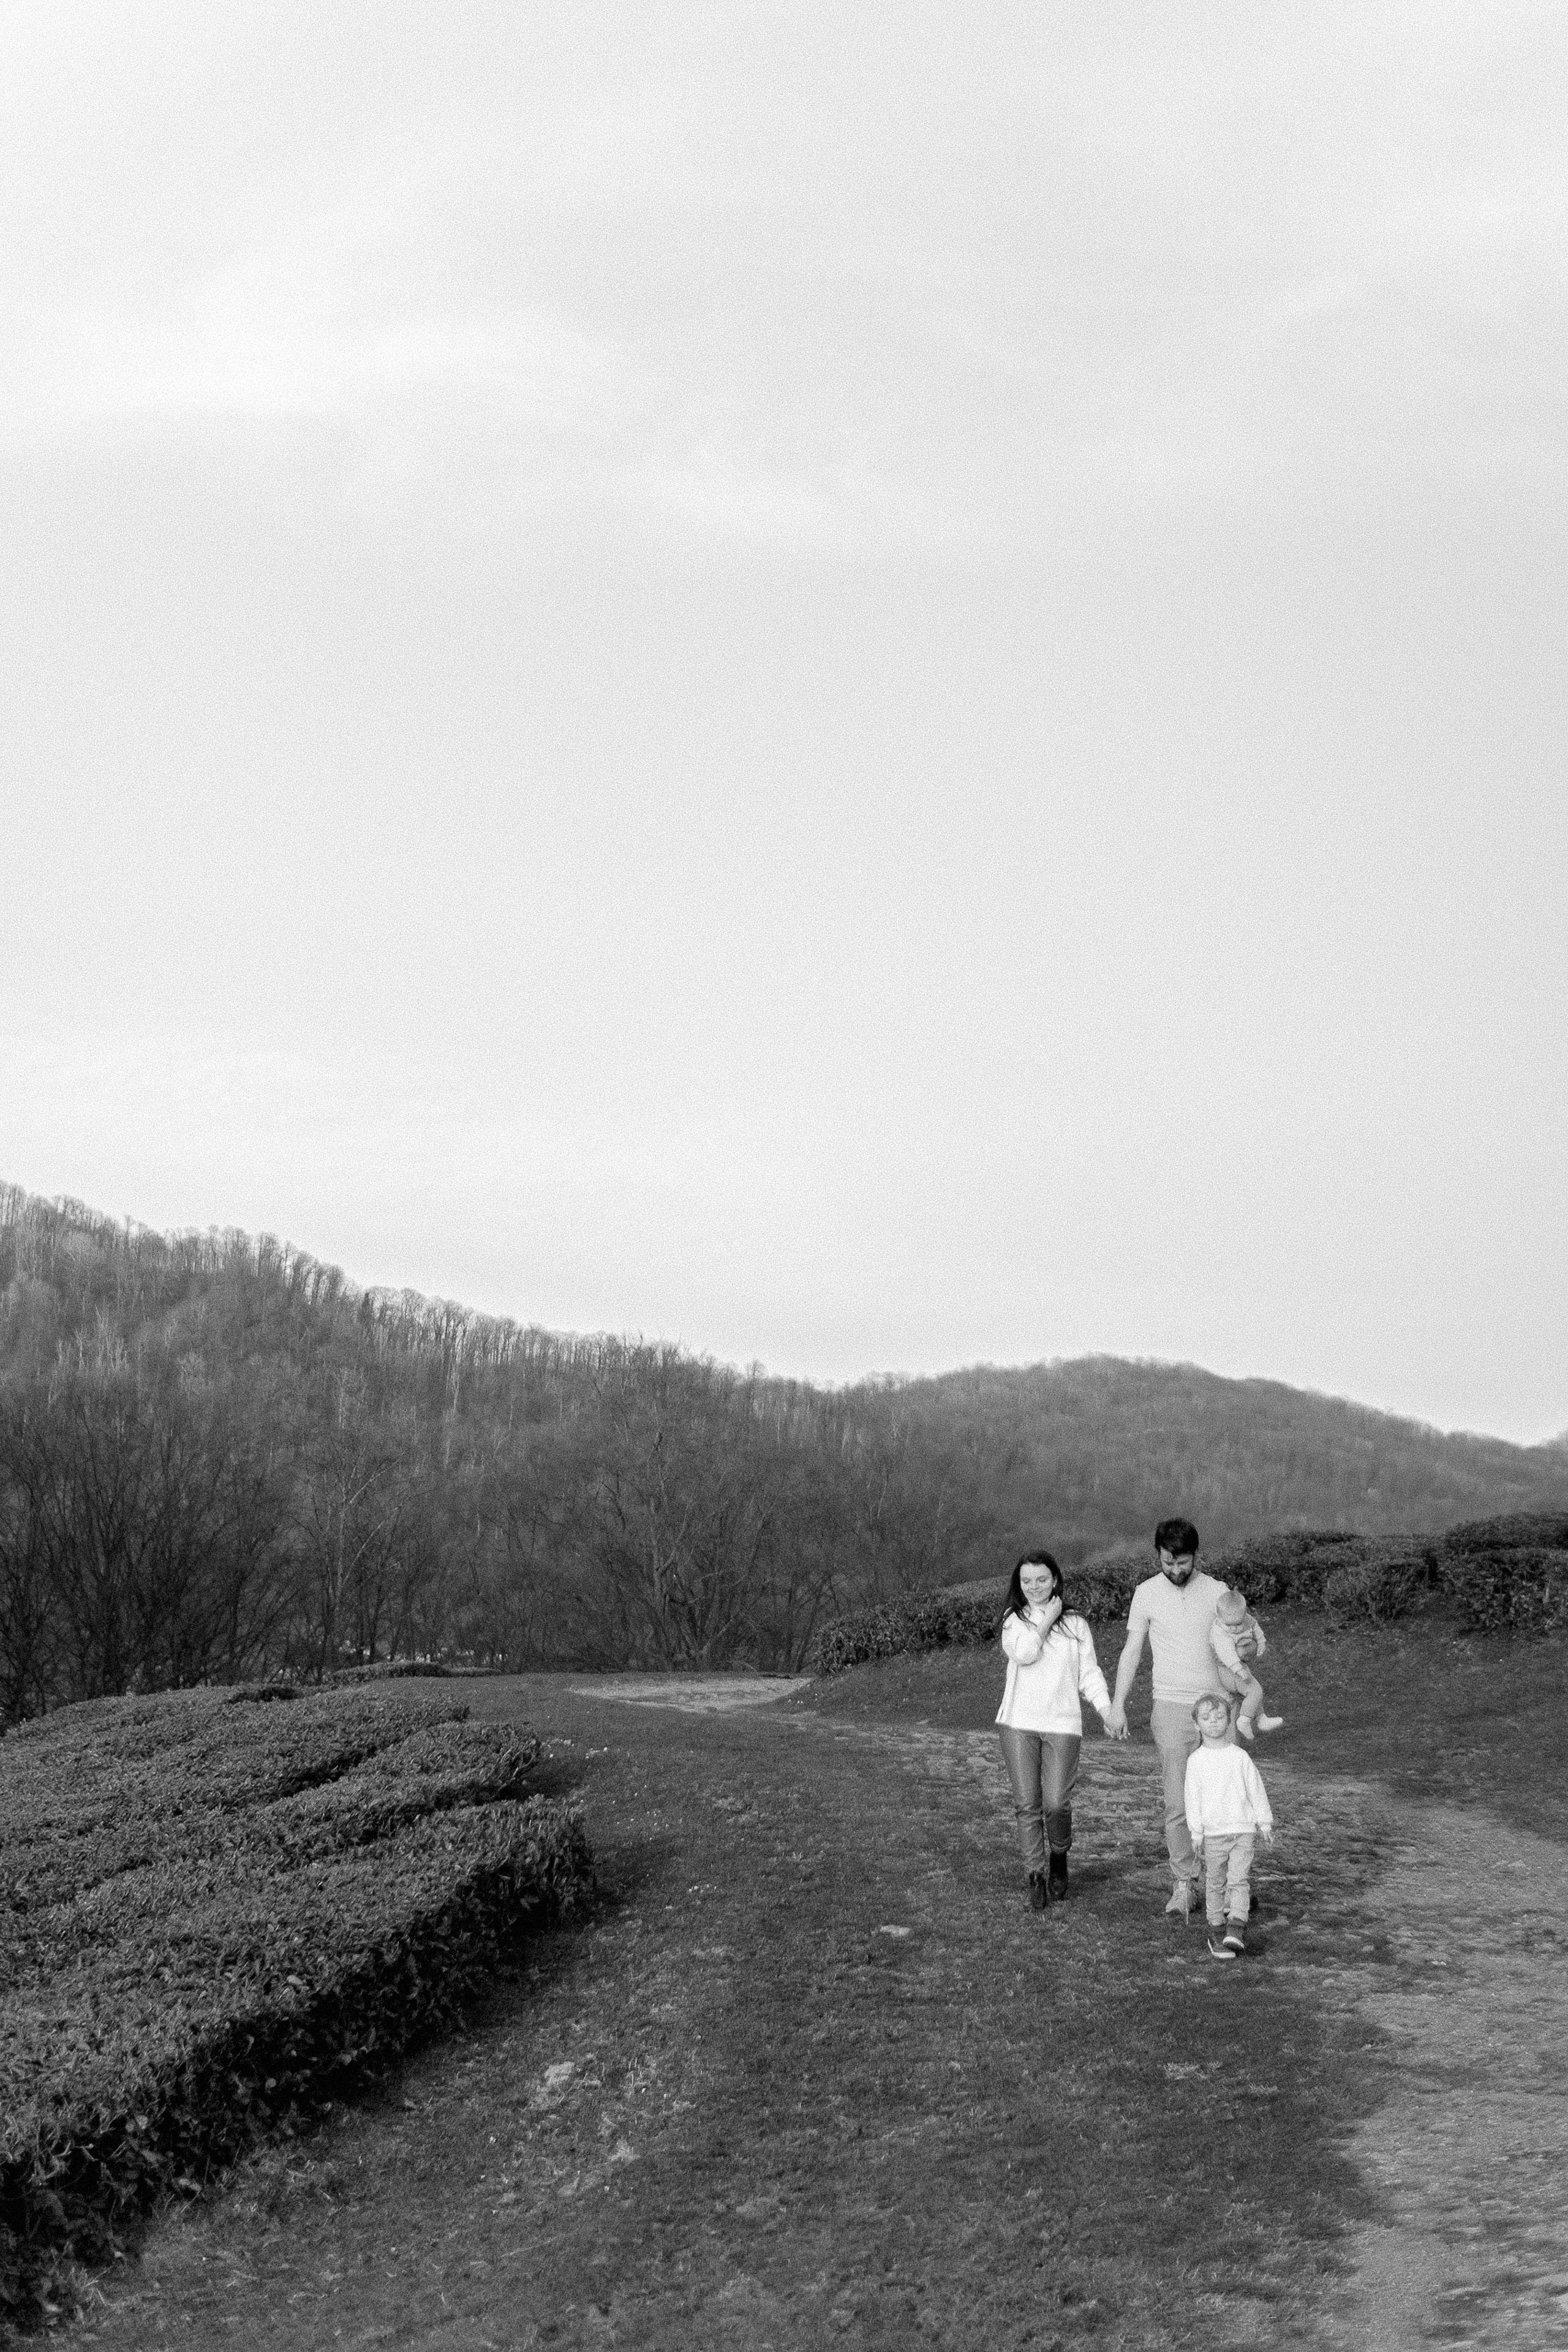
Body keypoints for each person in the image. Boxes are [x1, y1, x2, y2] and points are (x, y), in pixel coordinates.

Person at [1103, 1516, 1231, 1919]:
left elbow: (1235, 1649)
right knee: (1177, 1802)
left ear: (1196, 1555)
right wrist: (1117, 1703)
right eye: (1168, 1563)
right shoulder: (1146, 1594)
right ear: (1158, 1556)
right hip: (1170, 1708)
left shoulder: (1218, 1592)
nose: (1176, 1571)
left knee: (1220, 1801)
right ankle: (1184, 1885)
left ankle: (1225, 1885)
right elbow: (1132, 1651)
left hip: (1216, 1708)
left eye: (1184, 1562)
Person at [996, 1548, 1115, 1909]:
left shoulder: (1077, 1625)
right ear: (1019, 1584)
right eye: (1027, 1581)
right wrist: (1048, 1619)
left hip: (1062, 1724)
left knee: (1056, 1804)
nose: (1034, 1587)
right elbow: (1026, 1653)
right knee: (1027, 1805)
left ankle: (1059, 1857)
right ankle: (1036, 1875)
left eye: (1042, 1579)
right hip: (1018, 1724)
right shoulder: (1012, 1620)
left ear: (1056, 1580)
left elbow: (1089, 1673)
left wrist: (1107, 1710)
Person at [1184, 1690, 1275, 1958]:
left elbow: (1256, 1790)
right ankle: (1216, 1928)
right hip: (1213, 1835)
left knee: (1238, 1881)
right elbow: (1192, 1798)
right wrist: (1196, 1833)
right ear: (1197, 1724)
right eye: (1206, 1717)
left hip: (1243, 1832)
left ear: (1229, 1720)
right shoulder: (1196, 1761)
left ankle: (1236, 1927)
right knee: (1214, 1883)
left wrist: (1265, 1824)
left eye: (1219, 1716)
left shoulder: (1240, 1758)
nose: (1213, 1721)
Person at [1209, 1589, 1283, 1741]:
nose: (1235, 1629)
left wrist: (1261, 1642)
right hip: (1228, 1670)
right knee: (1255, 1690)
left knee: (1254, 1691)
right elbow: (1226, 1654)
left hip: (1239, 1666)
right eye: (1230, 1625)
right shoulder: (1220, 1632)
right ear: (1219, 1617)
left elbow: (1255, 1628)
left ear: (1244, 1614)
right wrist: (1238, 1670)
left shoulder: (1247, 1620)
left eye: (1239, 1624)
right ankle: (1244, 1720)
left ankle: (1261, 1719)